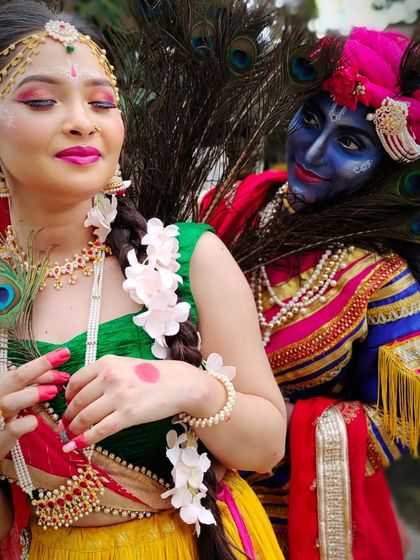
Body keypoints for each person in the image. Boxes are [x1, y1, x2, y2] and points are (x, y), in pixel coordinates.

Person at [0, 2, 288, 559]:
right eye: (40, 100)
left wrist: (191, 387)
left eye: (102, 103)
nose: (82, 121)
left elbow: (267, 448)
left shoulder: (188, 258)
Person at [200, 27, 420, 559]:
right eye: (312, 120)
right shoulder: (231, 208)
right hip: (182, 496)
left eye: (350, 143)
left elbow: (401, 422)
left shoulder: (385, 283)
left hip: (293, 518)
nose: (314, 152)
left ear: (387, 167)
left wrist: (272, 425)